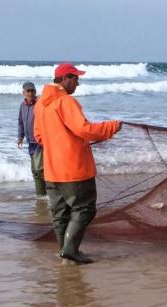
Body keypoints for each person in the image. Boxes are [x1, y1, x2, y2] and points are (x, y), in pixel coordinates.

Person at [34, 63, 122, 264]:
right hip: (74, 168)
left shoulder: (41, 104)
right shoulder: (65, 102)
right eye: (76, 78)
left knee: (60, 214)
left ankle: (64, 251)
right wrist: (111, 127)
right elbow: (84, 129)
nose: (78, 83)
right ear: (65, 78)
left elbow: (38, 136)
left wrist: (60, 142)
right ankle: (71, 250)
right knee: (85, 209)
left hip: (52, 169)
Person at [17, 81, 46, 198]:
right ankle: (41, 195)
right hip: (30, 142)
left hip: (40, 141)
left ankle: (46, 194)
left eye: (32, 90)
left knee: (39, 169)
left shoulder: (40, 103)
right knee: (35, 171)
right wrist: (20, 137)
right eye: (28, 91)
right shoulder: (22, 106)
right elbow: (20, 122)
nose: (30, 93)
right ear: (23, 92)